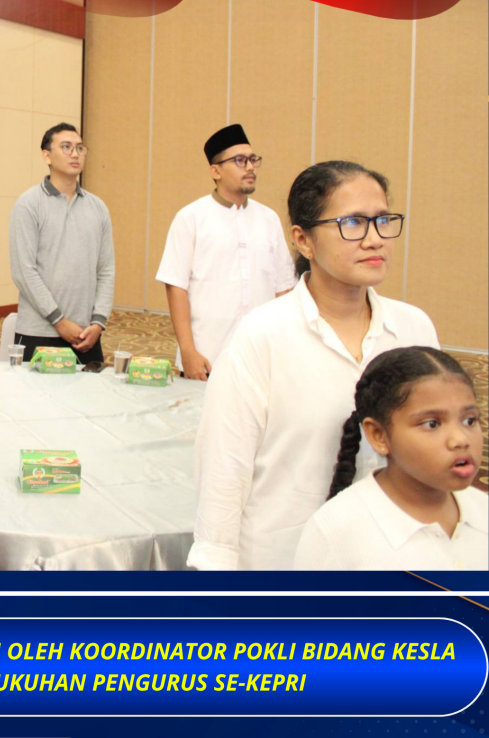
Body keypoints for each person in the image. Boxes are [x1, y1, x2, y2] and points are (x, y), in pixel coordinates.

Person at [188, 160, 439, 571]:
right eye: (353, 223)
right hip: (282, 564)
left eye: (382, 220)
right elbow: (224, 469)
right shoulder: (262, 335)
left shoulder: (414, 328)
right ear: (303, 240)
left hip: (391, 562)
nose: (374, 239)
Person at [295, 347, 485, 570]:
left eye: (469, 420)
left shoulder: (483, 509)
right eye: (432, 424)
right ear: (378, 435)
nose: (460, 439)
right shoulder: (335, 532)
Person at [156, 124, 295, 379]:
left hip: (261, 356)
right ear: (215, 171)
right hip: (207, 355)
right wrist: (188, 351)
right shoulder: (191, 218)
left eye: (253, 159)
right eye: (240, 160)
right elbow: (176, 287)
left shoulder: (269, 219)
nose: (250, 167)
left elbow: (283, 288)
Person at [8, 123, 115, 365]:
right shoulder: (29, 204)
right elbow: (24, 272)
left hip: (86, 335)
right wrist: (59, 320)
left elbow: (106, 270)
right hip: (39, 331)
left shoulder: (98, 207)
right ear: (47, 156)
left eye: (80, 148)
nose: (75, 154)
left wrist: (99, 321)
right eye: (66, 147)